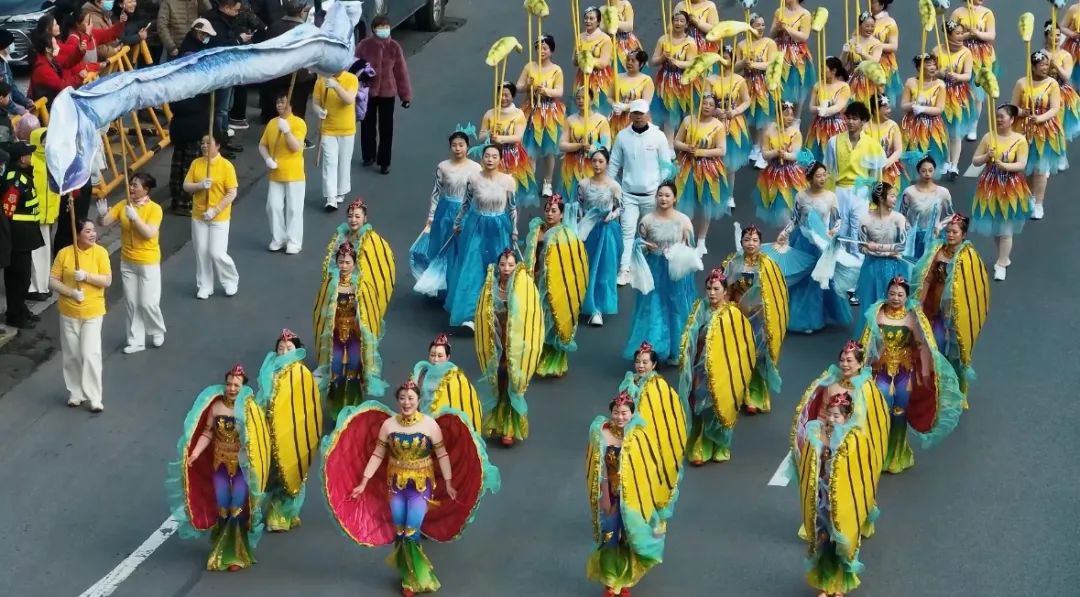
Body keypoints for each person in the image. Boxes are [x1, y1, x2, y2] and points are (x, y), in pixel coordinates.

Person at [325, 381, 498, 597]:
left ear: (418, 400)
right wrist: (364, 482)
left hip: (420, 487)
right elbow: (378, 454)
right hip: (396, 487)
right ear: (397, 400)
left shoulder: (429, 426)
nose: (406, 403)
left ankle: (415, 578)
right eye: (402, 398)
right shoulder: (388, 426)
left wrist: (449, 482)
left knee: (411, 531)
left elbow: (442, 455)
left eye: (411, 399)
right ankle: (406, 570)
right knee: (400, 531)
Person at [168, 364, 270, 571]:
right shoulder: (215, 407)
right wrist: (195, 454)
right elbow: (207, 433)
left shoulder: (249, 409)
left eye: (236, 385)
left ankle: (236, 554)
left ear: (243, 387)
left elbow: (259, 439)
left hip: (241, 468)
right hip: (220, 465)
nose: (232, 388)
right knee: (223, 506)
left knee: (237, 507)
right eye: (229, 384)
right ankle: (222, 548)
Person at [585, 389, 687, 597]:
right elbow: (597, 468)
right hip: (610, 497)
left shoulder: (640, 435)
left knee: (629, 537)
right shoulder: (601, 433)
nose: (620, 417)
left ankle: (625, 580)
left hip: (633, 500)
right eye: (616, 412)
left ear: (632, 413)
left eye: (624, 413)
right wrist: (604, 496)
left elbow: (651, 468)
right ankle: (611, 581)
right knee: (609, 537)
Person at [859, 276, 963, 474]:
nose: (895, 298)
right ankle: (877, 452)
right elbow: (867, 342)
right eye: (892, 294)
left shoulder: (913, 317)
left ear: (906, 297)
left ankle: (896, 454)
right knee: (880, 408)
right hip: (880, 370)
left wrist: (925, 372)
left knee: (900, 411)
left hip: (904, 371)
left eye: (900, 294)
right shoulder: (877, 313)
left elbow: (922, 345)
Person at [679, 268, 757, 464]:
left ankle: (721, 444)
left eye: (716, 289)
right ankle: (701, 446)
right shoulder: (700, 309)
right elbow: (690, 336)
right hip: (700, 367)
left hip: (724, 370)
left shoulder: (732, 314)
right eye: (708, 288)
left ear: (725, 291)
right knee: (700, 405)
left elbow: (742, 345)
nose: (711, 293)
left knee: (721, 405)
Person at [911, 214, 988, 407]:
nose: (950, 235)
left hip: (956, 316)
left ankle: (955, 390)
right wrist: (919, 302)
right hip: (935, 310)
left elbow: (974, 288)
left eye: (955, 232)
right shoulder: (937, 251)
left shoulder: (968, 257)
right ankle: (936, 388)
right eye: (948, 231)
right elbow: (927, 278)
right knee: (935, 346)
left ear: (964, 235)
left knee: (955, 353)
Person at [797, 392, 869, 597]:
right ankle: (826, 584)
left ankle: (838, 585)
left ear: (846, 417)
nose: (832, 419)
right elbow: (811, 462)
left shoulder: (853, 438)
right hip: (823, 496)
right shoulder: (820, 432)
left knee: (840, 542)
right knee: (824, 539)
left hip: (843, 499)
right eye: (830, 414)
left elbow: (859, 471)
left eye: (837, 415)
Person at [439, 145, 517, 329]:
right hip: (477, 227)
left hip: (498, 228)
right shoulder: (473, 178)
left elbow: (513, 208)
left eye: (494, 156)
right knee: (473, 267)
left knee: (498, 267)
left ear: (500, 160)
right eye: (487, 156)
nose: (490, 159)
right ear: (482, 158)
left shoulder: (508, 181)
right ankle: (470, 314)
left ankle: (496, 311)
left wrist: (514, 230)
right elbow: (465, 203)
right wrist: (458, 222)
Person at [623, 181, 698, 364]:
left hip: (675, 269)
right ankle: (654, 349)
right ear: (655, 197)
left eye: (667, 195)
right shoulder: (647, 221)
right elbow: (638, 245)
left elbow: (691, 248)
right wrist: (646, 247)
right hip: (654, 268)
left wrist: (680, 250)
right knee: (653, 306)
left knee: (676, 306)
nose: (663, 199)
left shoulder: (684, 221)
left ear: (675, 198)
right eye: (660, 195)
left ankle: (676, 349)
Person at [313, 240, 387, 422]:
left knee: (354, 369)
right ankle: (336, 410)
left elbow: (370, 313)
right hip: (335, 333)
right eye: (341, 262)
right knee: (336, 370)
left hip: (354, 334)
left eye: (348, 262)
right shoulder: (330, 284)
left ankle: (353, 409)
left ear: (355, 263)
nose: (344, 266)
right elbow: (320, 311)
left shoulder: (361, 286)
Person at [255, 329, 321, 531]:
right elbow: (262, 398)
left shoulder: (302, 375)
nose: (284, 352)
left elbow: (308, 409)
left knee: (288, 472)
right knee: (270, 471)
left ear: (297, 350)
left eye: (289, 348)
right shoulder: (269, 371)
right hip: (269, 429)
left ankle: (282, 514)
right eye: (281, 348)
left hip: (292, 434)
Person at [776, 162, 853, 333]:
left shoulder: (831, 197)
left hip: (821, 242)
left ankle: (819, 315)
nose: (822, 178)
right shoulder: (801, 196)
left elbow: (838, 220)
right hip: (803, 241)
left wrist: (832, 231)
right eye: (818, 176)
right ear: (810, 178)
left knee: (819, 280)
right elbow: (795, 219)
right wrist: (784, 233)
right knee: (803, 279)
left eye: (824, 175)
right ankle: (803, 317)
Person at [476, 249, 543, 446]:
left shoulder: (524, 287)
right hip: (496, 341)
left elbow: (532, 316)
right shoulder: (491, 286)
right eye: (503, 264)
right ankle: (497, 421)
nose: (506, 269)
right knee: (498, 379)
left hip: (516, 341)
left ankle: (509, 427)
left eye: (511, 265)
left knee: (512, 379)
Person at [607, 99, 675, 286]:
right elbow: (614, 164)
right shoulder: (622, 136)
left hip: (652, 196)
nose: (638, 117)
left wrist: (661, 191)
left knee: (653, 234)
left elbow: (666, 166)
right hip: (628, 195)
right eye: (635, 113)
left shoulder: (659, 136)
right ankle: (624, 269)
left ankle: (656, 270)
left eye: (641, 113)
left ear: (648, 114)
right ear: (630, 115)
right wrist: (610, 188)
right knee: (627, 233)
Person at [722, 225, 788, 414]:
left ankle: (754, 396)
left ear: (760, 243)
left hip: (759, 319)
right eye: (747, 240)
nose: (750, 243)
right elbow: (725, 290)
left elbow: (776, 295)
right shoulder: (733, 263)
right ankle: (737, 394)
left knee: (757, 356)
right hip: (738, 317)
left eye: (754, 240)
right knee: (737, 355)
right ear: (741, 242)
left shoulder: (768, 265)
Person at [97, 173, 166, 354]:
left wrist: (135, 218)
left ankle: (157, 330)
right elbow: (104, 222)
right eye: (131, 184)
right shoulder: (123, 204)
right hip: (127, 261)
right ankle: (136, 341)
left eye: (135, 185)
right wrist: (102, 214)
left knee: (148, 303)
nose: (131, 188)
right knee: (132, 303)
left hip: (148, 261)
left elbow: (149, 233)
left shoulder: (155, 209)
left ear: (146, 189)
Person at [49, 219, 111, 412]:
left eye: (93, 230)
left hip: (93, 311)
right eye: (87, 231)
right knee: (72, 354)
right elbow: (52, 280)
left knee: (90, 354)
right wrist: (71, 292)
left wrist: (86, 276)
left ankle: (94, 397)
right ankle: (75, 392)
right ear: (77, 234)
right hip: (69, 312)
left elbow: (107, 280)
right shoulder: (64, 254)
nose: (93, 234)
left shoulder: (100, 253)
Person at [522, 194, 587, 378]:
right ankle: (540, 356)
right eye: (547, 210)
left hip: (558, 285)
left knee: (556, 320)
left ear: (561, 214)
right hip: (539, 282)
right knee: (540, 320)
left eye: (554, 211)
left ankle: (555, 361)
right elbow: (531, 256)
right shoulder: (538, 230)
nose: (549, 214)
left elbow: (573, 263)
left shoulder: (566, 234)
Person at [409, 131, 481, 285]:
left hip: (467, 211)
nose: (458, 148)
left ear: (468, 146)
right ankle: (443, 282)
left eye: (461, 145)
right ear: (450, 147)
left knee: (464, 247)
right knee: (444, 246)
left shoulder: (476, 168)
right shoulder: (443, 167)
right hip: (446, 210)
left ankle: (459, 282)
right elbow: (436, 192)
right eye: (454, 145)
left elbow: (479, 192)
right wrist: (431, 216)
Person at [970, 104, 1030, 281]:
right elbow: (975, 161)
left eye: (1002, 117)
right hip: (990, 184)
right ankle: (1003, 255)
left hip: (1010, 186)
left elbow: (1021, 164)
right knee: (996, 226)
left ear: (1012, 119)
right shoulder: (988, 137)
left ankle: (1002, 263)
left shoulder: (1020, 140)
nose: (998, 119)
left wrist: (1004, 166)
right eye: (997, 116)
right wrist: (986, 157)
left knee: (1006, 228)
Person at [183, 132, 239, 299]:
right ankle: (205, 285)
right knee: (201, 252)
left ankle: (230, 280)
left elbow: (232, 193)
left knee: (216, 252)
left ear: (218, 145)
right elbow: (186, 186)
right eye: (202, 143)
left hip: (219, 217)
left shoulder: (226, 166)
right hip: (199, 215)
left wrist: (215, 210)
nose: (204, 146)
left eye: (209, 143)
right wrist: (200, 185)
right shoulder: (196, 164)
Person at [356, 16, 412, 175]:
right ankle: (368, 155)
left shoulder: (394, 47)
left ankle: (384, 161)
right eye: (380, 27)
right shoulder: (364, 45)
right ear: (374, 29)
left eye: (386, 26)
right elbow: (355, 66)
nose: (383, 30)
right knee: (367, 125)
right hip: (368, 92)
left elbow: (401, 72)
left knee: (386, 128)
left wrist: (405, 96)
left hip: (388, 92)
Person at [1012, 51, 1065, 221]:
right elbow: (1013, 106)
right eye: (1041, 65)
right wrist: (1023, 112)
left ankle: (1039, 204)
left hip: (1044, 130)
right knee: (1028, 167)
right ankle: (1029, 197)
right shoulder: (1021, 83)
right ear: (1033, 67)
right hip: (1024, 129)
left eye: (1046, 65)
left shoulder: (1052, 84)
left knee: (1040, 169)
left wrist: (1040, 118)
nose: (1045, 68)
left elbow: (1055, 108)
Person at [673, 93, 727, 254]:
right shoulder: (688, 120)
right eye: (705, 103)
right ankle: (683, 237)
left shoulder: (718, 125)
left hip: (708, 169)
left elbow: (721, 150)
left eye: (711, 104)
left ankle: (701, 240)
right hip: (687, 166)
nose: (707, 106)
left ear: (715, 108)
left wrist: (701, 152)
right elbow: (676, 141)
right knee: (684, 202)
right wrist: (686, 147)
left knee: (706, 205)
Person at [577, 147, 622, 326]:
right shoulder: (583, 184)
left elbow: (620, 208)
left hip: (606, 230)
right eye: (594, 161)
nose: (597, 164)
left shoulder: (614, 186)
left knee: (604, 268)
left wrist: (610, 216)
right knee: (586, 267)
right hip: (588, 230)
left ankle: (598, 308)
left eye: (601, 161)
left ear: (607, 163)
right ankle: (586, 303)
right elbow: (580, 207)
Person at [516, 34, 565, 197]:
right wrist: (527, 85)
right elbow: (518, 87)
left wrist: (546, 91)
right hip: (531, 110)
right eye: (539, 48)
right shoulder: (529, 67)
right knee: (530, 149)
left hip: (549, 112)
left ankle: (547, 182)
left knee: (548, 151)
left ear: (551, 50)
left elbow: (559, 91)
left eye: (545, 48)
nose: (541, 51)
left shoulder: (556, 70)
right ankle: (530, 183)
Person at [258, 92, 307, 254]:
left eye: (283, 102)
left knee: (294, 209)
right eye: (278, 102)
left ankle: (294, 241)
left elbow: (296, 147)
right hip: (276, 172)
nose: (280, 105)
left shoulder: (299, 123)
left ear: (291, 105)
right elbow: (262, 145)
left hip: (294, 173)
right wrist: (267, 159)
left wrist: (286, 131)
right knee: (273, 206)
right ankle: (278, 238)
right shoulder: (272, 123)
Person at [2, 142, 44, 330]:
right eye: (28, 154)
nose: (31, 156)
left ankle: (20, 308)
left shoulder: (23, 175)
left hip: (26, 235)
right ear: (21, 159)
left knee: (23, 278)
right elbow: (7, 211)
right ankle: (15, 315)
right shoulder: (15, 180)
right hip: (18, 237)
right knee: (19, 278)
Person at [201, 0, 250, 154]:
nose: (237, 13)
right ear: (227, 7)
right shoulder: (213, 21)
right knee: (220, 109)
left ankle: (223, 139)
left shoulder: (227, 19)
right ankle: (218, 143)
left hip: (228, 68)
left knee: (226, 107)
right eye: (236, 10)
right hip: (219, 69)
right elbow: (218, 45)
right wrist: (239, 40)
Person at [854, 182, 910, 314]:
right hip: (871, 268)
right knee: (871, 305)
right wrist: (886, 253)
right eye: (892, 196)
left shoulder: (899, 218)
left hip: (895, 267)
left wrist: (877, 247)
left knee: (894, 304)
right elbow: (861, 247)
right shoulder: (865, 220)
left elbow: (901, 246)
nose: (895, 199)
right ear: (881, 198)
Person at [479, 82, 537, 206]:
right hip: (493, 156)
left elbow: (518, 137)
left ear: (512, 96)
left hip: (513, 156)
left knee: (512, 191)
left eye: (506, 95)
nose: (503, 98)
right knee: (492, 190)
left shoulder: (518, 114)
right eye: (500, 95)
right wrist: (489, 133)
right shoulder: (490, 114)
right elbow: (481, 136)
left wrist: (501, 138)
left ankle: (512, 217)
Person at [411, 333, 482, 430]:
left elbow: (466, 401)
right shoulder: (420, 373)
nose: (435, 359)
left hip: (445, 425)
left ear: (448, 357)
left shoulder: (455, 376)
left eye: (440, 356)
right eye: (432, 355)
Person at [558, 86, 611, 215]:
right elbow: (562, 145)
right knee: (572, 202)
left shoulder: (601, 121)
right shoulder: (570, 120)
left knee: (591, 201)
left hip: (592, 166)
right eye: (578, 98)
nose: (581, 101)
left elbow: (606, 146)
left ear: (592, 100)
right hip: (572, 166)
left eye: (584, 98)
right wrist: (579, 146)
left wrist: (593, 147)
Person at [754, 100, 806, 227]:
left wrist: (786, 155)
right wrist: (776, 152)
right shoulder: (769, 132)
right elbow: (765, 154)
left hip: (791, 174)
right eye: (786, 114)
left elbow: (796, 155)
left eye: (792, 115)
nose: (790, 118)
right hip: (774, 174)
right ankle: (786, 233)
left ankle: (791, 232)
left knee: (793, 208)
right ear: (778, 115)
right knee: (781, 212)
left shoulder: (795, 133)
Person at [951, 0, 997, 141]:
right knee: (961, 92)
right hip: (962, 53)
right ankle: (961, 123)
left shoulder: (987, 13)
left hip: (982, 55)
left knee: (977, 94)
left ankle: (973, 126)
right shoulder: (957, 13)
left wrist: (977, 34)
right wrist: (966, 35)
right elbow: (950, 36)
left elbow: (991, 35)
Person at [736, 12, 779, 159]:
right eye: (757, 25)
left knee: (764, 119)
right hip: (748, 84)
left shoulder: (769, 43)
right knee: (751, 118)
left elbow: (772, 64)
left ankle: (764, 149)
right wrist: (743, 63)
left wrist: (753, 64)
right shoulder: (741, 45)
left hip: (764, 84)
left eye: (763, 25)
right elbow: (735, 68)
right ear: (750, 27)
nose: (761, 27)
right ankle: (755, 146)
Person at [314, 68, 359, 210]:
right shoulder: (321, 81)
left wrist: (336, 86)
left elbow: (349, 100)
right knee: (330, 162)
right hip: (328, 129)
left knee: (343, 162)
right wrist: (319, 111)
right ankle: (331, 198)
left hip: (346, 129)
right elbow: (315, 103)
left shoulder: (351, 78)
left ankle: (341, 191)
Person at [936, 20, 976, 179]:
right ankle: (945, 160)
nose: (961, 36)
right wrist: (940, 73)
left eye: (962, 33)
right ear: (948, 35)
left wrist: (956, 76)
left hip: (958, 95)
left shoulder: (966, 52)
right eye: (957, 33)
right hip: (940, 93)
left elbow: (968, 75)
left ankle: (954, 164)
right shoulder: (937, 50)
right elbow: (930, 72)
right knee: (943, 130)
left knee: (955, 131)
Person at [650, 11, 697, 143]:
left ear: (687, 24)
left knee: (683, 112)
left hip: (683, 81)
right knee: (668, 112)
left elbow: (692, 63)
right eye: (676, 20)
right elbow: (653, 61)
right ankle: (669, 144)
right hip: (666, 81)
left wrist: (677, 63)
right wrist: (662, 57)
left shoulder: (690, 42)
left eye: (682, 21)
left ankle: (682, 141)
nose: (678, 23)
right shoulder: (663, 40)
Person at [899, 53, 948, 179]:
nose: (933, 67)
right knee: (913, 156)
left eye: (934, 64)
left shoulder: (940, 84)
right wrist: (914, 104)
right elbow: (903, 106)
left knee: (929, 158)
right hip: (912, 124)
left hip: (932, 126)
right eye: (928, 64)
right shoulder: (910, 82)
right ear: (919, 68)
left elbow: (939, 109)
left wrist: (923, 109)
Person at [27, 128, 60, 302]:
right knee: (35, 253)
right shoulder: (31, 162)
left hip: (48, 216)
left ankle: (43, 285)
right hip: (33, 216)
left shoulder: (52, 160)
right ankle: (34, 287)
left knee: (45, 252)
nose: (47, 143)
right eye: (43, 140)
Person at [898, 157, 953, 260]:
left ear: (934, 170)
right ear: (918, 172)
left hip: (934, 237)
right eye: (923, 171)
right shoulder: (909, 192)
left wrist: (939, 226)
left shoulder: (943, 192)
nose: (927, 174)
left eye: (930, 170)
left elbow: (951, 215)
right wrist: (910, 229)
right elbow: (901, 215)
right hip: (914, 239)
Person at [771, 0, 815, 110]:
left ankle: (795, 117)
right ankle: (781, 115)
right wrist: (777, 28)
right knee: (779, 83)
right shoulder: (779, 11)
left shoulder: (805, 14)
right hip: (780, 52)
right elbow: (771, 35)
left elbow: (804, 36)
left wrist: (786, 28)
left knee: (797, 86)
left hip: (797, 54)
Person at [805, 57, 850, 163]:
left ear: (833, 71)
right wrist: (820, 109)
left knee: (836, 157)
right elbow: (811, 108)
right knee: (815, 158)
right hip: (819, 126)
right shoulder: (818, 85)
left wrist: (826, 109)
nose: (820, 70)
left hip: (836, 126)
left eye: (823, 68)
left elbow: (838, 107)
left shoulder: (844, 86)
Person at [573, 6, 614, 115]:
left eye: (591, 18)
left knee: (600, 109)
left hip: (600, 78)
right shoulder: (579, 37)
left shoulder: (605, 38)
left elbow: (603, 62)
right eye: (586, 18)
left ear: (598, 21)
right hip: (582, 77)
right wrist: (577, 57)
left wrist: (587, 59)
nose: (588, 21)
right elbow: (574, 62)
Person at [843, 12, 885, 109]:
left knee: (870, 109)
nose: (870, 28)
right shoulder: (852, 41)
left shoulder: (877, 43)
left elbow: (875, 61)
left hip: (870, 82)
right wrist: (844, 53)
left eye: (872, 26)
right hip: (854, 81)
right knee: (854, 110)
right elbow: (843, 64)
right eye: (867, 26)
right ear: (860, 25)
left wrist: (863, 53)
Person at [609, 48, 653, 136]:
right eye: (628, 60)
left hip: (637, 120)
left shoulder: (646, 80)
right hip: (618, 119)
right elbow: (610, 97)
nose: (629, 63)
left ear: (641, 64)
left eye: (633, 61)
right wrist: (614, 104)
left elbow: (645, 103)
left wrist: (625, 107)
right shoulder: (618, 77)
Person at [871, 0, 902, 105]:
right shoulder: (865, 19)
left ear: (882, 4)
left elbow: (894, 46)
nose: (870, 4)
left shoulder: (889, 22)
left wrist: (877, 45)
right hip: (867, 63)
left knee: (881, 100)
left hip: (883, 65)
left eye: (873, 2)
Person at [0, 30, 36, 115]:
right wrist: (16, 108)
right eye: (11, 43)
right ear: (4, 46)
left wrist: (25, 101)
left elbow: (12, 87)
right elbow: (2, 95)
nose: (12, 46)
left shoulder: (4, 62)